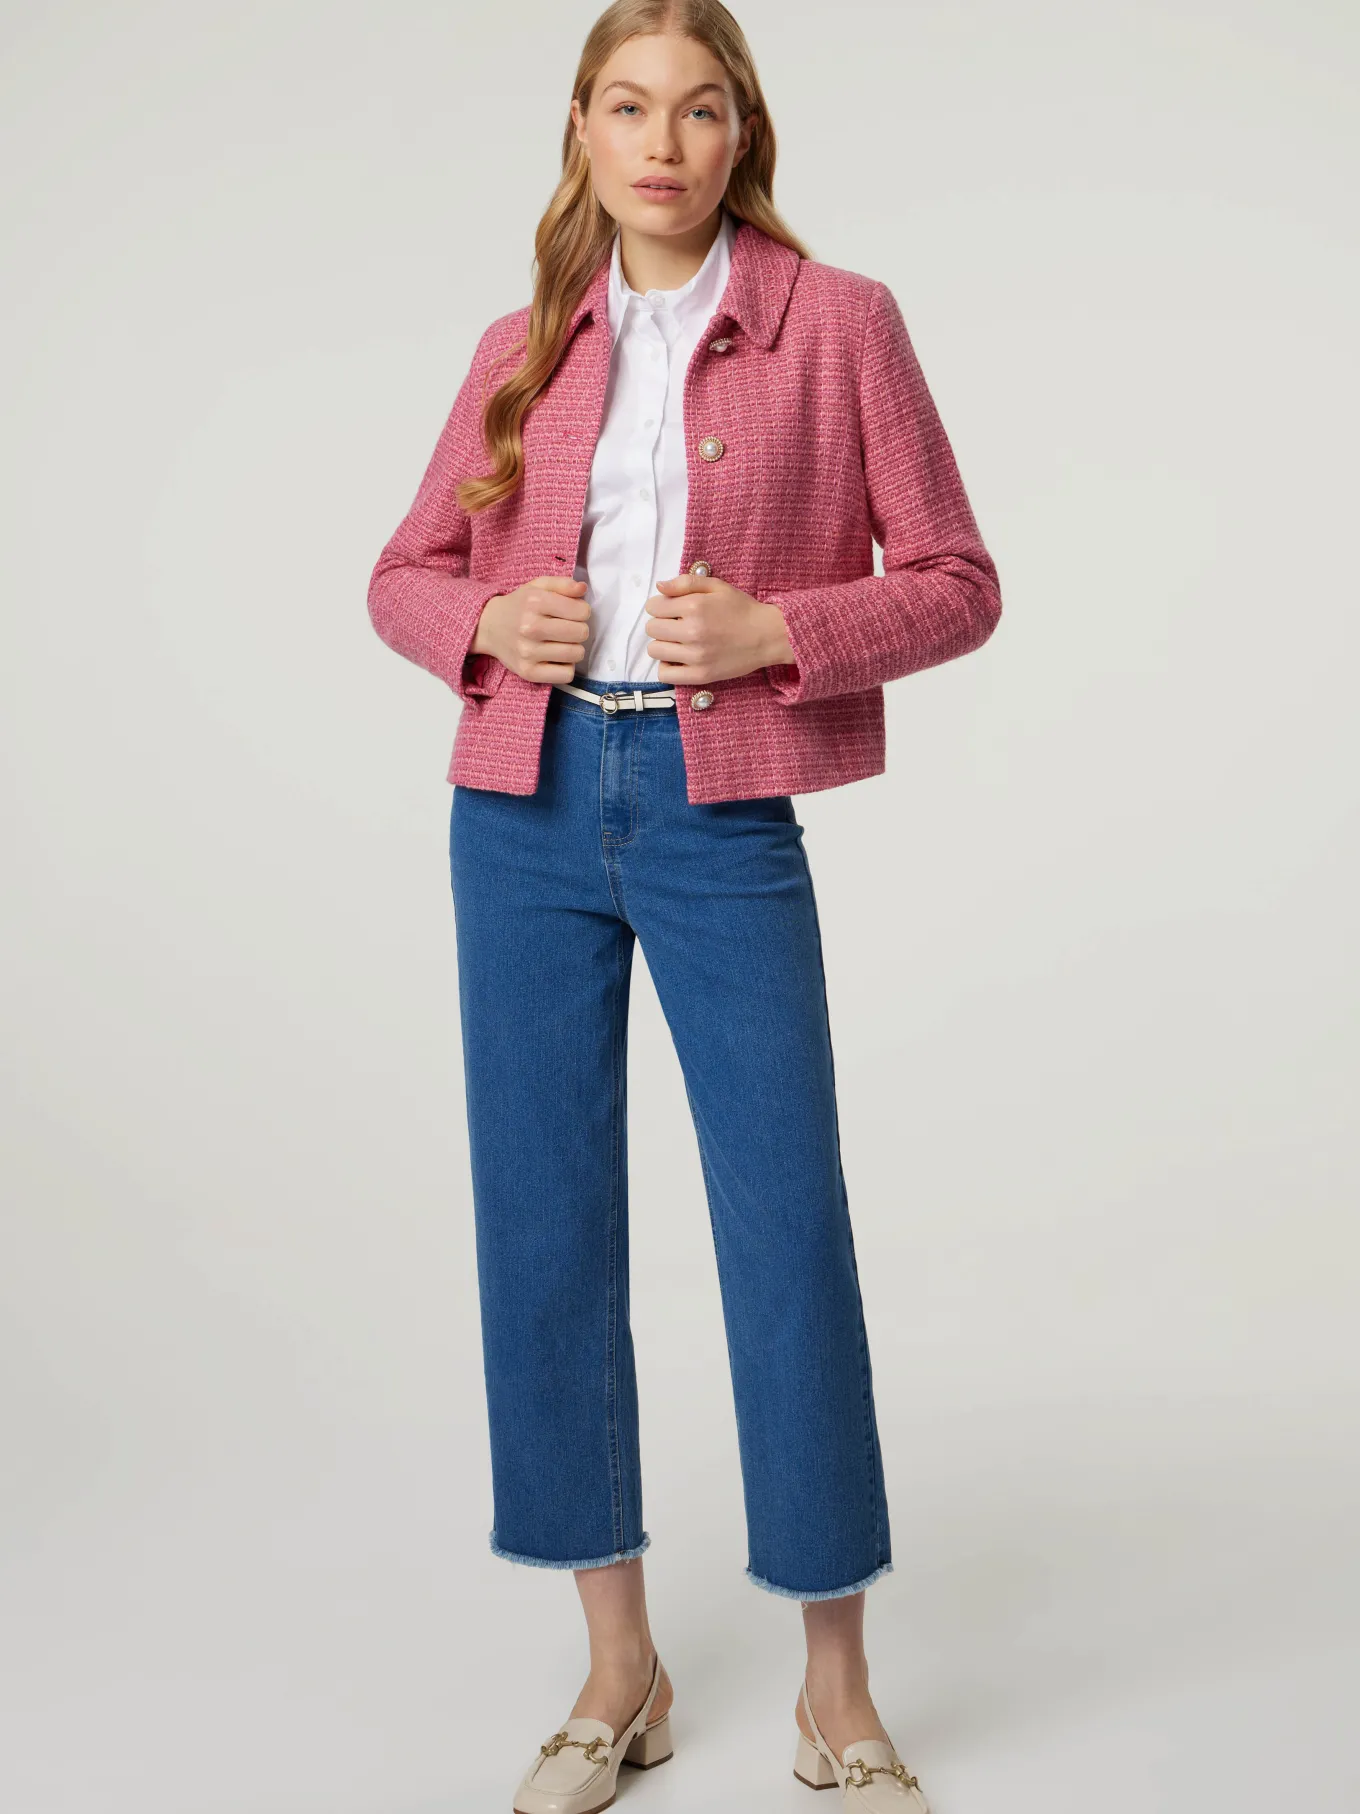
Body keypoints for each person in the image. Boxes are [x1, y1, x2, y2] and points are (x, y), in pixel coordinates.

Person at [366, 5, 1001, 1808]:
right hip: (524, 806)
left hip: (723, 813)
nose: (663, 142)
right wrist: (486, 622)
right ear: (582, 129)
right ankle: (618, 1671)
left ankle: (834, 1691)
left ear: (742, 133)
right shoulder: (517, 347)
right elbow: (403, 573)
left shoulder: (839, 322)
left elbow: (960, 579)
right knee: (548, 1227)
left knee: (786, 1225)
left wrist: (783, 626)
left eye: (699, 108)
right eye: (630, 107)